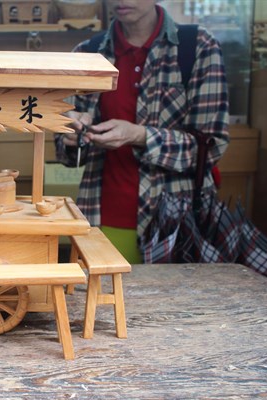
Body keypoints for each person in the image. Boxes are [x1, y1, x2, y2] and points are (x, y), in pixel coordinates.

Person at [55, 0, 229, 263]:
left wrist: (140, 136)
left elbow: (211, 146)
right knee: (101, 288)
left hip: (176, 222)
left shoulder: (197, 47)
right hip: (102, 213)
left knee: (175, 291)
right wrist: (72, 135)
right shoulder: (87, 54)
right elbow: (67, 155)